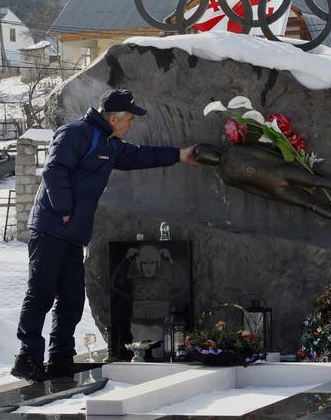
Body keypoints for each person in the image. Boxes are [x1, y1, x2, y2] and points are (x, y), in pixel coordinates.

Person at [12, 88, 197, 382]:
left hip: (72, 234)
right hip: (50, 228)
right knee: (41, 292)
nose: (132, 125)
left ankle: (60, 358)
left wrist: (180, 155)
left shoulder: (111, 144)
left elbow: (140, 156)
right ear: (113, 118)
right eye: (130, 120)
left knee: (71, 298)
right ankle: (28, 356)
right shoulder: (75, 133)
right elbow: (54, 170)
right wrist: (63, 210)